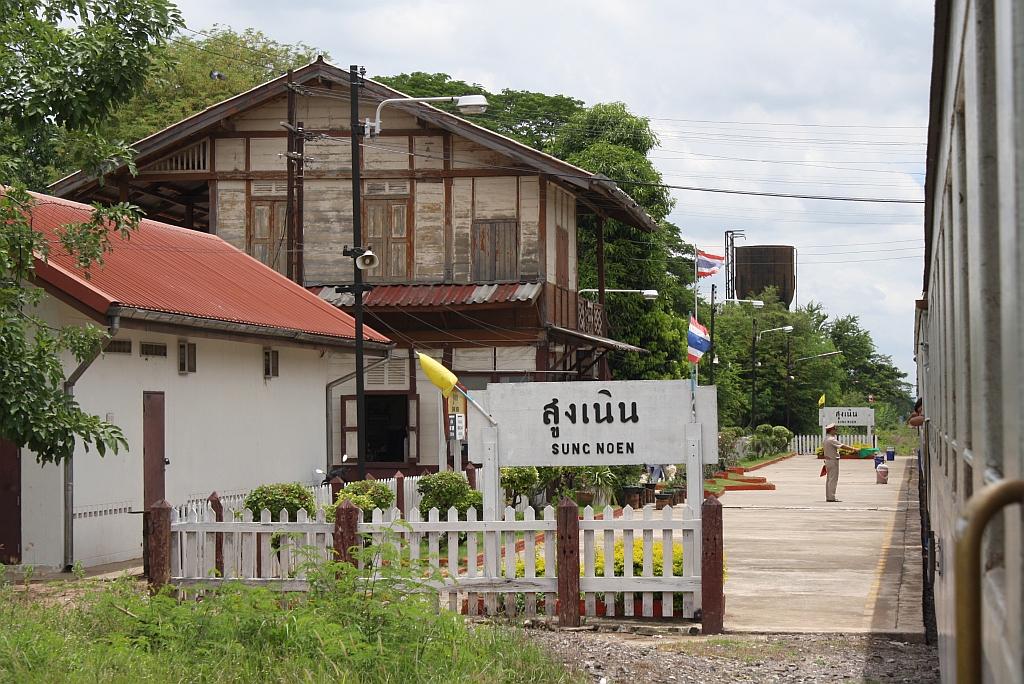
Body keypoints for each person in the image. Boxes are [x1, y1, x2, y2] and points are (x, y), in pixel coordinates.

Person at [822, 423, 856, 502]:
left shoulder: (826, 439)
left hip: (828, 460)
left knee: (829, 480)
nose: (835, 431)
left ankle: (829, 496)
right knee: (833, 480)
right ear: (832, 430)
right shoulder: (831, 439)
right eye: (834, 429)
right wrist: (854, 449)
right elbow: (842, 446)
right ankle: (831, 497)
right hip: (833, 461)